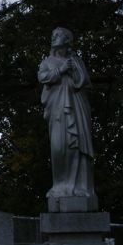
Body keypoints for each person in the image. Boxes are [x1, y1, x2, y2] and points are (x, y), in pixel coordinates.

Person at [38, 27, 96, 199]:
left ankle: (82, 188)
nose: (54, 37)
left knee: (78, 146)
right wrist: (61, 70)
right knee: (59, 146)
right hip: (57, 108)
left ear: (67, 40)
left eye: (58, 35)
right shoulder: (47, 62)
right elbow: (43, 78)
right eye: (52, 35)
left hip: (77, 106)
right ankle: (60, 186)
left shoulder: (76, 61)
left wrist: (74, 70)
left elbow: (84, 82)